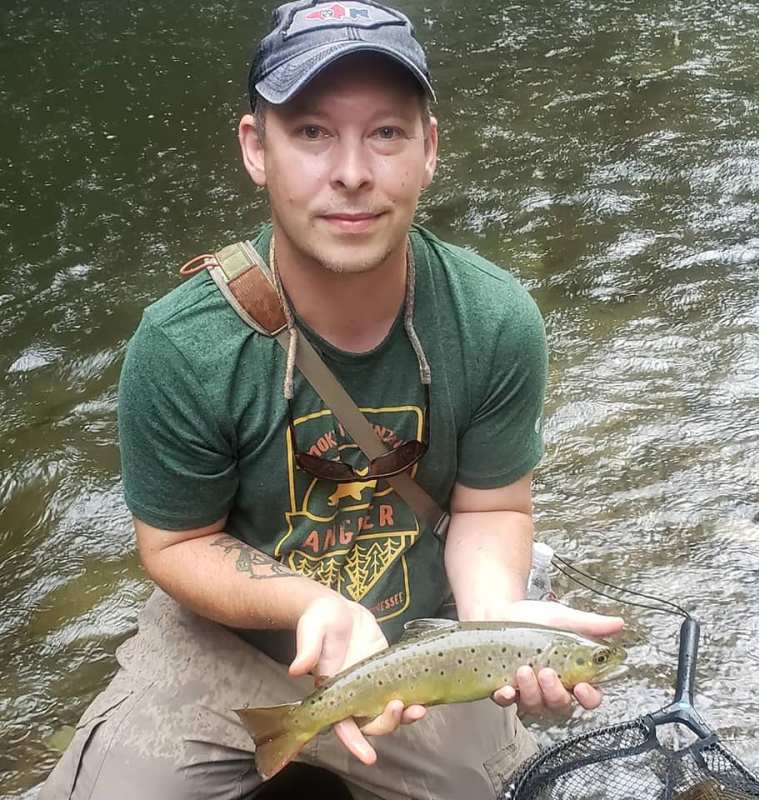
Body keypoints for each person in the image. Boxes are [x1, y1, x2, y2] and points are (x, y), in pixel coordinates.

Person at [40, 2, 624, 798]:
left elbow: (492, 512)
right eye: (313, 132)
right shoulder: (183, 345)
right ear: (257, 149)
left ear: (429, 151)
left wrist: (500, 633)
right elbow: (175, 546)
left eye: (385, 133)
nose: (352, 171)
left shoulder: (493, 319)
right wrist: (312, 602)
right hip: (230, 647)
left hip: (424, 647)